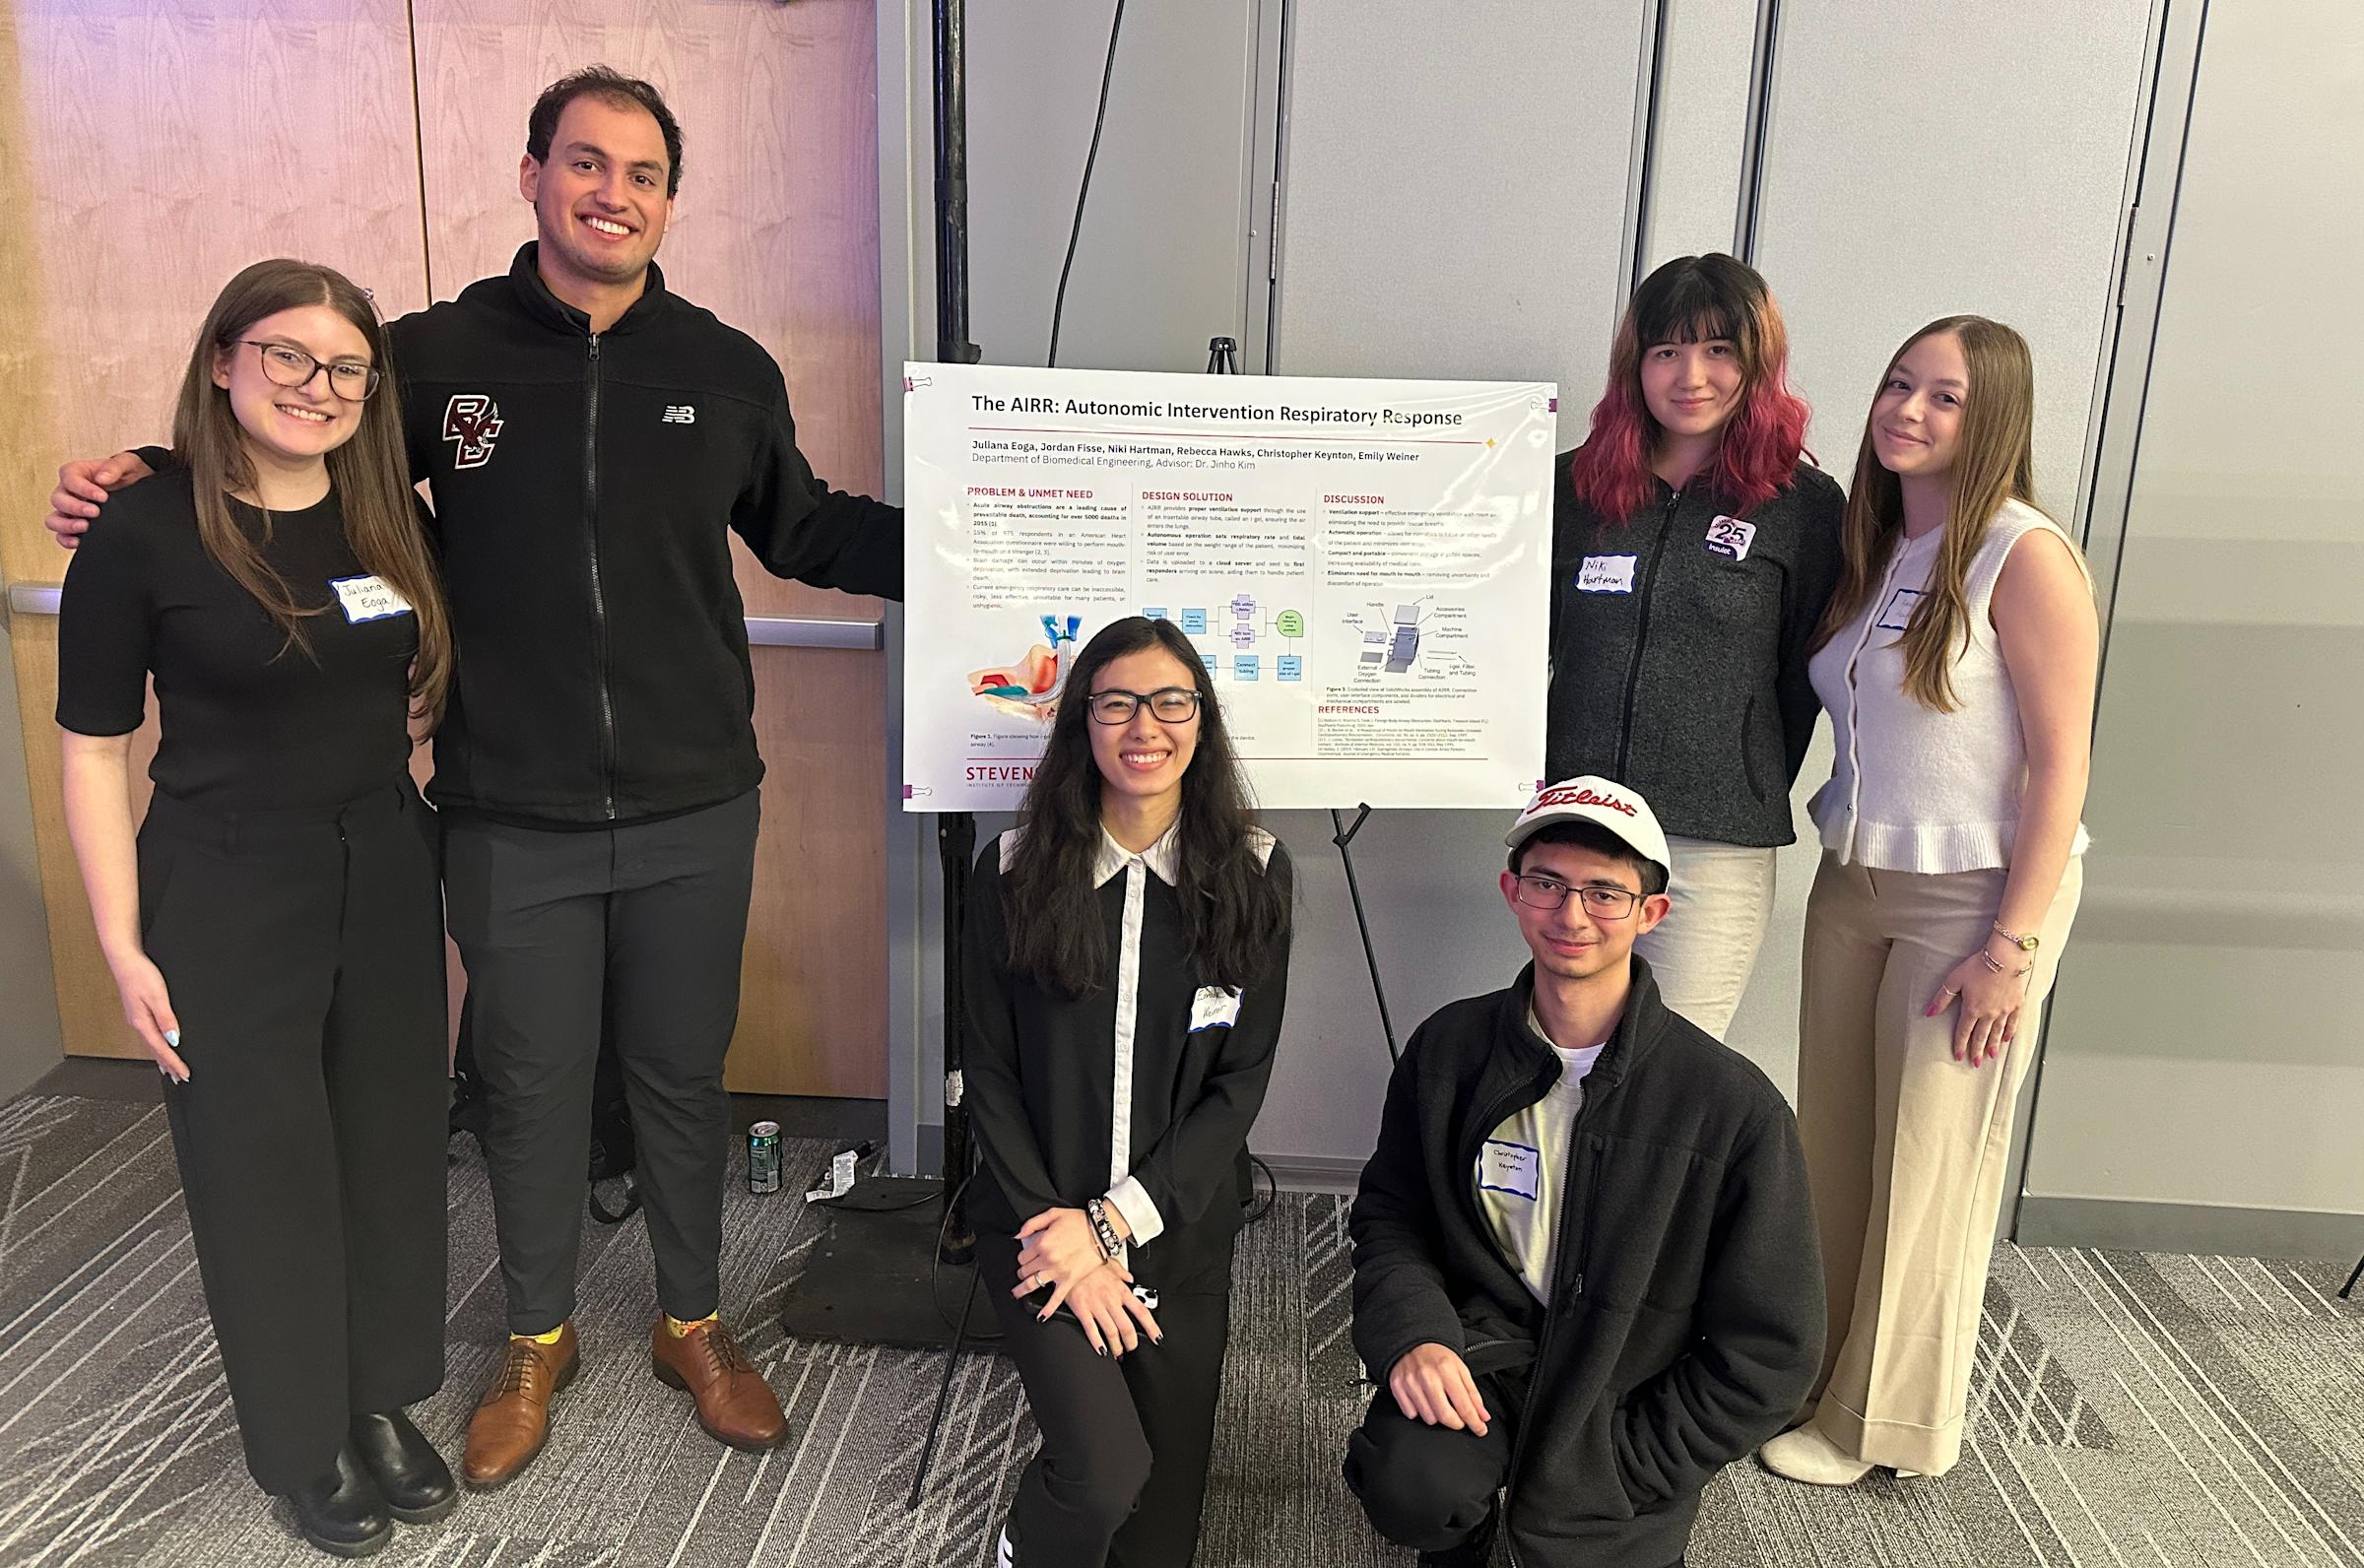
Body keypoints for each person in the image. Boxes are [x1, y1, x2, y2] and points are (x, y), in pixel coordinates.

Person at [46, 66, 903, 1487]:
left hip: (701, 798)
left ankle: (695, 1320)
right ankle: (533, 1337)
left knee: (682, 1076)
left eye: (639, 173)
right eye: (584, 163)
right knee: (526, 1083)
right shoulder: (434, 356)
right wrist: (148, 471)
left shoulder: (724, 367)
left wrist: (980, 536)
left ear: (669, 201)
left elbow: (808, 531)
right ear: (531, 177)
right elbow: (292, 432)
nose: (610, 193)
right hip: (510, 807)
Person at [55, 260, 457, 1555]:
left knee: (391, 1145)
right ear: (222, 359)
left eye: (344, 367)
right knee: (261, 1170)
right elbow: (95, 746)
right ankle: (303, 1440)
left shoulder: (386, 513)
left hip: (384, 865)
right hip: (222, 880)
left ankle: (380, 1398)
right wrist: (120, 944)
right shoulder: (144, 528)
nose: (317, 387)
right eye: (286, 356)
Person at [1760, 317, 2096, 1486]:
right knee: (1836, 1146)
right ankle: (1817, 1373)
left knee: (1929, 1161)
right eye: (1898, 383)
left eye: (1944, 397)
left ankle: (1883, 1425)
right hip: (1852, 877)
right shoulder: (1883, 541)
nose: (1908, 410)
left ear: (1992, 414)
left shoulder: (2023, 554)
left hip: (1975, 901)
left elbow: (2063, 763)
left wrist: (2012, 945)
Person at [1345, 776, 1822, 1568]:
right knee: (1412, 1485)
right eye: (1549, 884)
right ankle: (1469, 1516)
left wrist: (1635, 1465)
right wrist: (1415, 1339)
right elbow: (1392, 1216)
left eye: (1605, 893)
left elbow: (1774, 1349)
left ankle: (1578, 1505)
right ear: (1512, 891)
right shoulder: (1448, 1051)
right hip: (1485, 1356)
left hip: (1621, 1400)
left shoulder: (1734, 1110)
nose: (1572, 915)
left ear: (1650, 913)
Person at [961, 617, 1294, 1568]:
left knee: (1157, 1539)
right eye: (1115, 702)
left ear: (1202, 721)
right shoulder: (1016, 871)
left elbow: (1240, 1086)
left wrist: (1112, 1229)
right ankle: (1020, 1545)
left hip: (1176, 1235)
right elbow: (987, 1071)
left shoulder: (1256, 876)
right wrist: (1062, 1234)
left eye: (1170, 701)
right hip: (1036, 1227)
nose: (1144, 725)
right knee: (1104, 1475)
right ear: (1083, 723)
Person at [1547, 254, 1844, 1041]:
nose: (1692, 376)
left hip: (1715, 839)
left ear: (1757, 364)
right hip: (1578, 827)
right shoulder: (1571, 488)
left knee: (1675, 1066)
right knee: (1570, 1044)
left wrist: (1739, 772)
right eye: (1667, 352)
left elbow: (1800, 675)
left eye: (1719, 351)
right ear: (1635, 364)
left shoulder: (1803, 506)